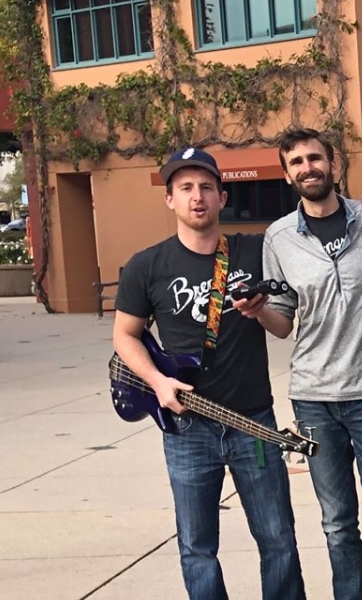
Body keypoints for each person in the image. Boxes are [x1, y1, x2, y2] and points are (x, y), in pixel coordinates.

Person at [112, 146, 304, 600]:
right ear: (170, 200)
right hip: (186, 426)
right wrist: (158, 382)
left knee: (278, 538)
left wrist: (258, 313)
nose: (196, 197)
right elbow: (125, 335)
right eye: (185, 188)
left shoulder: (254, 251)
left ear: (222, 196)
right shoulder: (147, 265)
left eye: (205, 188)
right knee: (197, 545)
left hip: (251, 422)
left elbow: (282, 328)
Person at [256, 127, 362, 600]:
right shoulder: (278, 238)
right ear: (287, 175)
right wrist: (256, 309)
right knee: (337, 522)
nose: (308, 167)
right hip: (314, 399)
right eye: (297, 162)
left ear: (334, 165)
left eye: (315, 158)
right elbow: (282, 322)